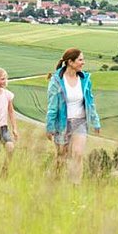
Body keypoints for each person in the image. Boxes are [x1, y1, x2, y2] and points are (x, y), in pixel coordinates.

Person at [46, 48, 101, 182]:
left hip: (80, 122)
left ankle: (75, 185)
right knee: (62, 157)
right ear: (70, 62)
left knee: (78, 154)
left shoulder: (85, 79)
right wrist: (50, 127)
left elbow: (90, 101)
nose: (83, 63)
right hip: (62, 123)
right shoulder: (56, 81)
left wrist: (95, 121)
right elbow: (52, 107)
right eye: (80, 60)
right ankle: (56, 182)